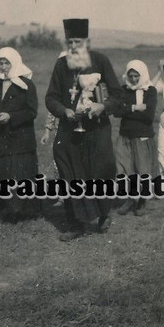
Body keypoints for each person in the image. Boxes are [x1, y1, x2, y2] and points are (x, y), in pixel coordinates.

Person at [45, 18, 123, 241]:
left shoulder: (101, 61)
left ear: (87, 42)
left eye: (77, 41)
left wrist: (103, 106)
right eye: (69, 41)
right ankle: (75, 223)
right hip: (69, 129)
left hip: (97, 129)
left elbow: (119, 97)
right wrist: (64, 111)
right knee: (69, 173)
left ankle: (103, 213)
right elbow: (51, 97)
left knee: (99, 172)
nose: (73, 45)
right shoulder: (61, 66)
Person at [0, 47, 39, 219]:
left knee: (19, 174)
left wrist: (10, 117)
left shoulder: (27, 86)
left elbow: (31, 112)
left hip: (19, 140)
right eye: (1, 63)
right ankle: (5, 208)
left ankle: (21, 211)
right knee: (1, 173)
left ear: (15, 63)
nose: (4, 67)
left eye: (7, 63)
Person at [114, 60, 158, 217]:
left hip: (142, 135)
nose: (133, 79)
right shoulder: (123, 90)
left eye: (136, 76)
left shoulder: (150, 91)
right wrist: (134, 108)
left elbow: (148, 115)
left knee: (142, 169)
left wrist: (127, 110)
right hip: (125, 134)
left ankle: (142, 201)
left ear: (143, 75)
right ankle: (131, 198)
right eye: (130, 76)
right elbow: (116, 111)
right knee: (124, 167)